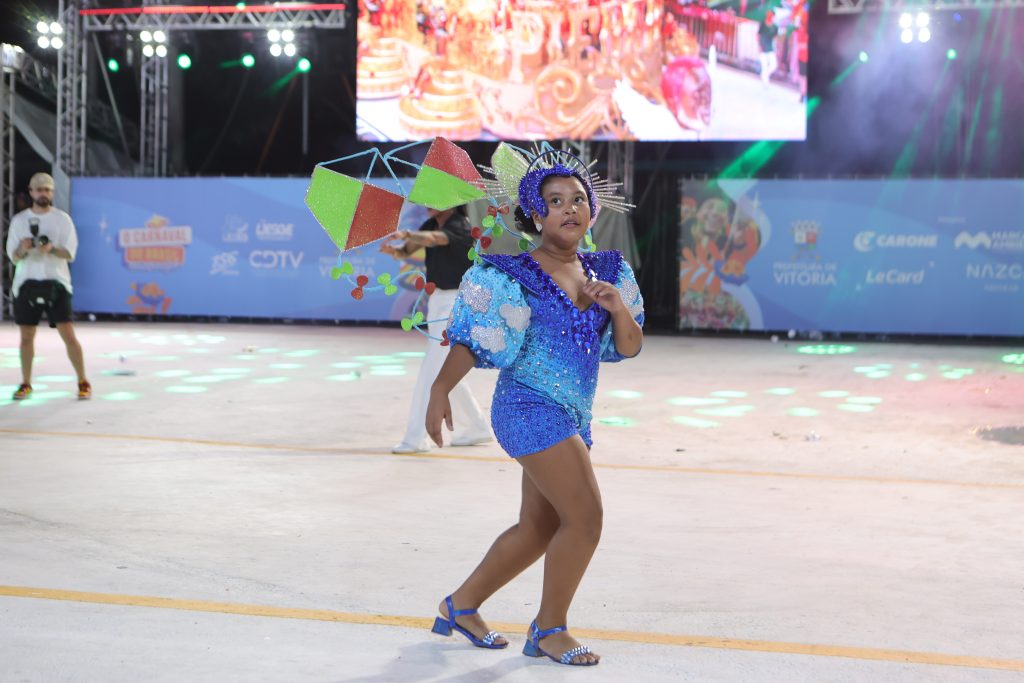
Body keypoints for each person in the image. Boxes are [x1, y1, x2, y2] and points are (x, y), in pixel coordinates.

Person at [424, 155, 644, 666]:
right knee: (586, 518)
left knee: (539, 529)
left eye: (578, 200)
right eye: (555, 202)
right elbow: (472, 340)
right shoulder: (512, 273)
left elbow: (630, 347)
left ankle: (460, 606)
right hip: (526, 405)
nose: (570, 209)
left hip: (573, 414)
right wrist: (440, 389)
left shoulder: (609, 272)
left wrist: (615, 307)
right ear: (535, 215)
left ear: (592, 212)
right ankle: (549, 629)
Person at [380, 204, 492, 454]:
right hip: (437, 301)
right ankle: (476, 426)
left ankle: (416, 437)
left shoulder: (460, 226)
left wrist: (408, 234)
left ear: (449, 201)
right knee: (441, 369)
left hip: (457, 303)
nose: (427, 204)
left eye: (434, 199)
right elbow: (409, 249)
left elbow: (434, 240)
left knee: (430, 371)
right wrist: (394, 251)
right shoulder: (430, 224)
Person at [5, 172, 91, 400]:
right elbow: (13, 257)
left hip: (57, 282)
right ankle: (25, 383)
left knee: (68, 334)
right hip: (26, 283)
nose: (43, 193)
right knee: (26, 337)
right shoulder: (20, 221)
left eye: (47, 190)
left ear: (52, 193)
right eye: (39, 189)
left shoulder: (62, 220)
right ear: (31, 192)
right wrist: (24, 248)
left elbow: (70, 253)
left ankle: (83, 380)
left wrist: (50, 249)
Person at [758, 10, 779, 87]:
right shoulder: (763, 24)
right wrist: (759, 46)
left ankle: (764, 75)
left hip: (770, 47)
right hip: (763, 46)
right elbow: (758, 35)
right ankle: (765, 81)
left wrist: (776, 48)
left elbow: (775, 38)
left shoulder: (775, 27)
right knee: (764, 64)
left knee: (773, 65)